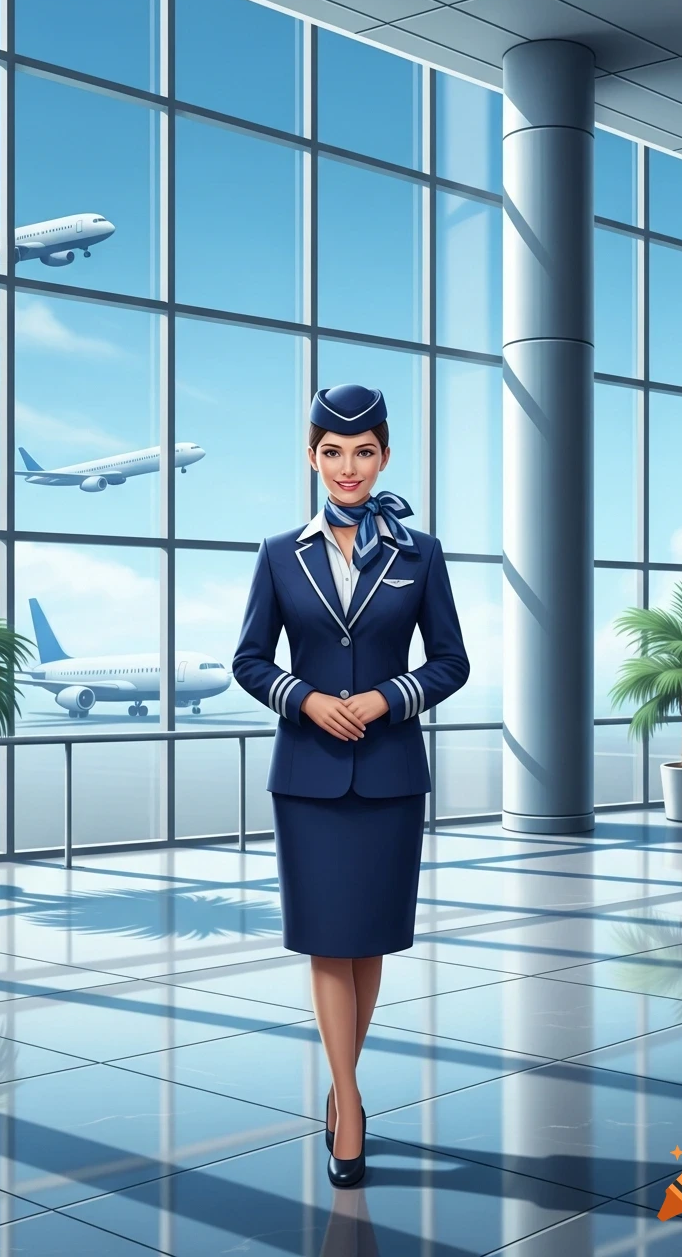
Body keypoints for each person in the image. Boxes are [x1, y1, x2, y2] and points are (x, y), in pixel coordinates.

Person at [232, 382, 469, 1188]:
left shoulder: (419, 553)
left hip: (391, 773)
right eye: (332, 451)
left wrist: (386, 697)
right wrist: (303, 699)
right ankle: (352, 1103)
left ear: (385, 456)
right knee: (328, 941)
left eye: (363, 452)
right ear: (311, 456)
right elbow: (249, 661)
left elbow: (450, 662)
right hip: (307, 777)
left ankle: (341, 1092)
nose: (347, 466)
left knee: (369, 940)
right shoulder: (279, 553)